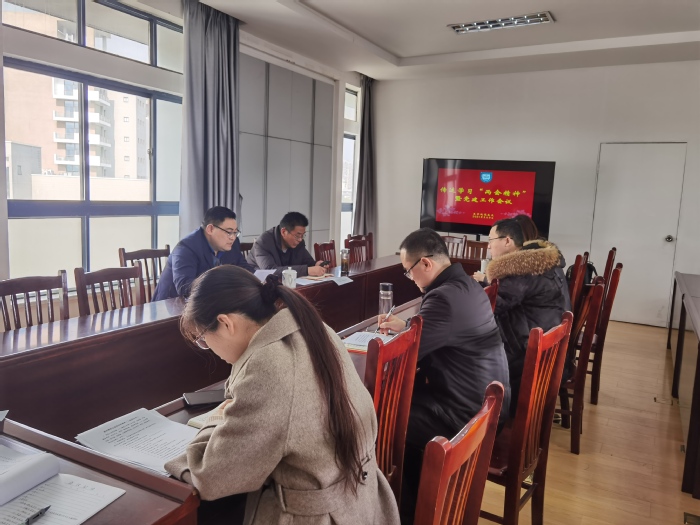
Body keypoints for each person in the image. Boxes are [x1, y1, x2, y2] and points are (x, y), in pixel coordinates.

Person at [164, 266, 400, 524]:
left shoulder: (267, 367)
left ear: (226, 323)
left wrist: (214, 419)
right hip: (362, 501)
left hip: (321, 516)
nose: (208, 347)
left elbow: (211, 477)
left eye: (203, 338)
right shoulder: (313, 328)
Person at [377, 228, 510, 523]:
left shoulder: (443, 298)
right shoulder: (467, 285)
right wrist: (408, 326)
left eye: (409, 271)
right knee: (400, 404)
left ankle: (406, 513)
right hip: (485, 406)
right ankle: (413, 504)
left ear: (425, 263)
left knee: (383, 418)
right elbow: (442, 331)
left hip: (464, 415)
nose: (410, 278)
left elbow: (406, 358)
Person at [478, 218, 567, 416]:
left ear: (507, 241)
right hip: (545, 353)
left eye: (491, 240)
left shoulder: (522, 271)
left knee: (463, 361)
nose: (489, 246)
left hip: (527, 359)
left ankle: (482, 423)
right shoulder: (541, 262)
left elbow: (490, 306)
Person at [153, 206, 253, 300]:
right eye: (229, 232)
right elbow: (185, 288)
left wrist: (257, 280)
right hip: (171, 305)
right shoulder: (186, 248)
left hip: (211, 302)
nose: (233, 237)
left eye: (235, 232)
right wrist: (224, 285)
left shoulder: (232, 244)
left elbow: (244, 268)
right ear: (210, 229)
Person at [246, 211, 326, 277]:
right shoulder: (263, 242)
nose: (300, 239)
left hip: (285, 283)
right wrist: (307, 270)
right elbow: (270, 271)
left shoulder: (299, 242)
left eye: (303, 235)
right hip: (257, 283)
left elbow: (306, 261)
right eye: (297, 235)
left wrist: (315, 264)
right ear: (283, 232)